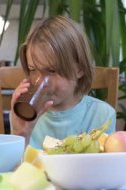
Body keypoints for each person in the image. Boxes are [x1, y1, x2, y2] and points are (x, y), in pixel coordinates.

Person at [10, 15, 116, 149]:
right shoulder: (24, 116)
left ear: (79, 69)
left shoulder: (102, 115)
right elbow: (16, 168)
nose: (42, 82)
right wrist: (21, 133)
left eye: (52, 70)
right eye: (33, 69)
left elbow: (106, 167)